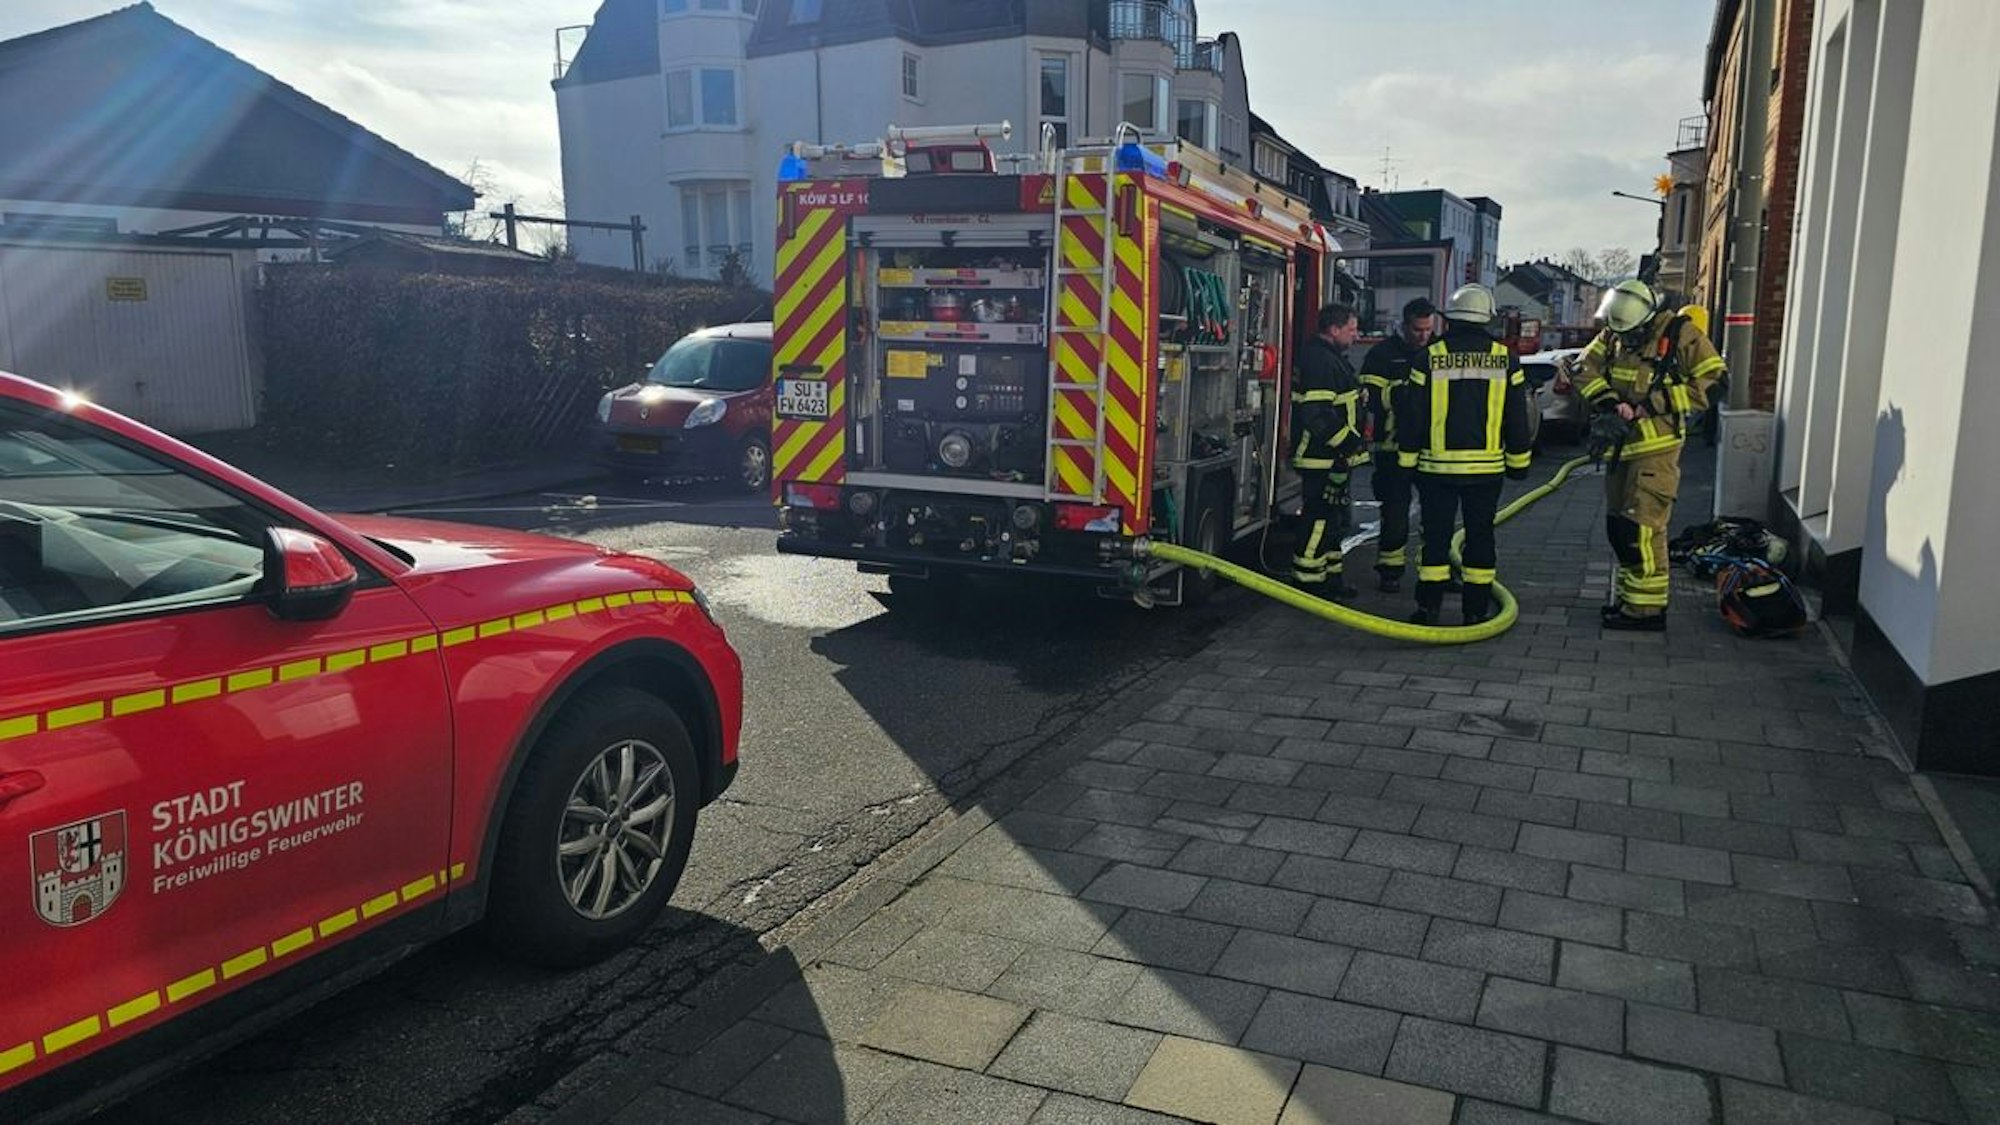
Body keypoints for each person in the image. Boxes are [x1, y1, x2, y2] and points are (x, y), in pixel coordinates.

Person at [1574, 279, 1727, 631]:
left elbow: (1714, 383)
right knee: (1618, 528)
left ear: (1646, 319)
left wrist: (1649, 405)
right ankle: (1631, 600)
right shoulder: (1616, 331)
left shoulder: (1681, 336)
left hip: (1654, 451)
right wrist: (1610, 405)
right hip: (1621, 450)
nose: (1622, 340)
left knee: (1640, 530)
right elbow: (1584, 367)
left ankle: (1647, 611)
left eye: (1630, 334)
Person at [1396, 284, 1533, 626]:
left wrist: (1406, 463)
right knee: (1480, 538)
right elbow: (1517, 418)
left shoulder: (1428, 358)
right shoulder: (1506, 359)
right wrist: (1519, 463)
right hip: (1486, 472)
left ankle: (1428, 608)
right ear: (1487, 318)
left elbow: (1413, 417)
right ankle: (1475, 611)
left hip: (1436, 470)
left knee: (1436, 539)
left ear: (1450, 318)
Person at [1359, 297, 1439, 593]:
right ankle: (1390, 570)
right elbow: (1368, 395)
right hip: (1392, 448)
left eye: (1428, 329)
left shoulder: (1438, 351)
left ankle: (1435, 572)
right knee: (1395, 512)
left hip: (1431, 448)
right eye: (1418, 329)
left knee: (1436, 515)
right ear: (1405, 325)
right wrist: (1406, 394)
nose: (1423, 336)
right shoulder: (1382, 354)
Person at [1290, 303, 1365, 599]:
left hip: (1331, 459)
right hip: (1321, 459)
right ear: (1333, 329)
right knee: (1319, 520)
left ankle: (1331, 579)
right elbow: (1316, 413)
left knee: (1333, 522)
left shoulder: (1329, 358)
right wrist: (1348, 443)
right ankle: (1309, 582)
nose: (1356, 335)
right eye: (1351, 329)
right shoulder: (1321, 361)